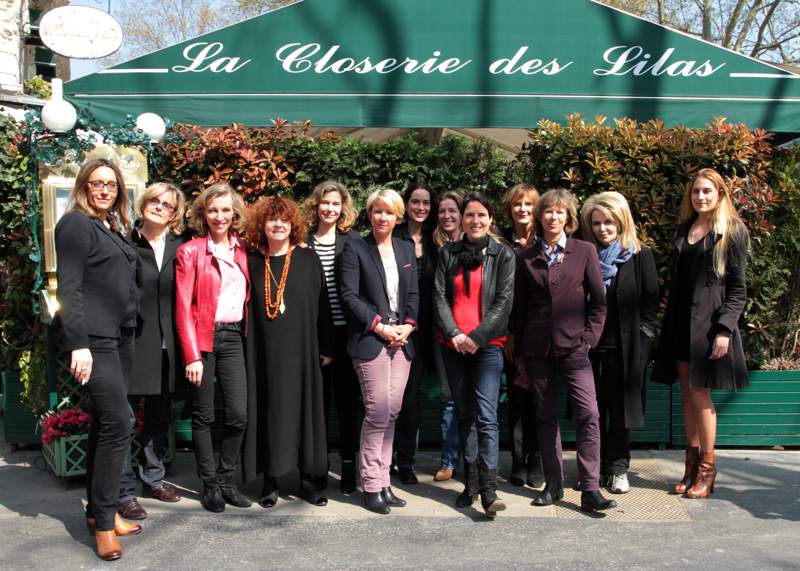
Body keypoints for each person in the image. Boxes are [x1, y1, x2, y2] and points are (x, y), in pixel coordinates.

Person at [55, 158, 141, 561]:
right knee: (119, 422)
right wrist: (78, 344)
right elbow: (69, 288)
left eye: (111, 184)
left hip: (121, 337)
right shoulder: (76, 224)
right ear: (84, 187)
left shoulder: (112, 226)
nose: (104, 190)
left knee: (105, 425)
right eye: (96, 183)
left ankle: (97, 511)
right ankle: (105, 524)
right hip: (95, 340)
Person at [512, 188, 617, 514]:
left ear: (568, 218)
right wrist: (519, 353)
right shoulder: (525, 257)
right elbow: (519, 309)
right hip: (537, 348)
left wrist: (588, 339)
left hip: (575, 348)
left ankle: (590, 488)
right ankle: (553, 483)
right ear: (540, 216)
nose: (553, 217)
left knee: (589, 414)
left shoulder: (584, 251)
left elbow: (599, 303)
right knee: (545, 417)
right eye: (548, 211)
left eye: (560, 212)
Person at [653, 168, 750, 499]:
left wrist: (724, 329)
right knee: (687, 393)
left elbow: (738, 290)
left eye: (707, 191)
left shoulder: (732, 231)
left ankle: (707, 470)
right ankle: (691, 466)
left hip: (709, 326)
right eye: (696, 191)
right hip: (681, 323)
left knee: (700, 394)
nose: (701, 197)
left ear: (720, 194)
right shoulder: (685, 228)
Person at [242, 196, 334, 508]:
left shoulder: (308, 259)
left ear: (293, 224)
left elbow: (323, 305)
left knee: (305, 413)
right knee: (270, 412)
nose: (278, 225)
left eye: (284, 220)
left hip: (304, 352)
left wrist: (327, 346)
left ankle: (307, 480)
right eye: (272, 219)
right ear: (262, 225)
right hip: (264, 354)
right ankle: (270, 481)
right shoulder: (252, 261)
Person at [433, 191, 515, 518]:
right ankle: (471, 483)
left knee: (486, 415)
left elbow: (504, 301)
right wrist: (454, 333)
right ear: (462, 219)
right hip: (452, 345)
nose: (475, 220)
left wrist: (477, 337)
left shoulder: (503, 254)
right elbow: (439, 296)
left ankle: (489, 490)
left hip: (487, 347)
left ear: (490, 219)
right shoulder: (447, 253)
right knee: (464, 413)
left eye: (482, 215)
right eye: (470, 215)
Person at [340, 187, 419, 514]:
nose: (382, 217)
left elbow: (413, 294)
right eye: (377, 211)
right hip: (371, 340)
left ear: (398, 216)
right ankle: (371, 485)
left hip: (401, 340)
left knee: (392, 412)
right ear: (369, 214)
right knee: (377, 413)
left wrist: (408, 326)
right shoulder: (355, 247)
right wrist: (380, 326)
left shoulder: (405, 248)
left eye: (389, 212)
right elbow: (349, 295)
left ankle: (385, 482)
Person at [175, 183, 251, 513]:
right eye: (213, 210)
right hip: (203, 338)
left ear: (235, 213)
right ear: (203, 214)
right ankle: (209, 484)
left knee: (238, 415)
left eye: (225, 210)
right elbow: (182, 306)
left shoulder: (245, 249)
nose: (220, 216)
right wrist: (191, 355)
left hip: (234, 337)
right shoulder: (190, 251)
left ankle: (226, 480)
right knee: (203, 415)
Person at [580, 191, 659, 494]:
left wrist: (643, 341)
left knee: (621, 412)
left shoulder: (640, 255)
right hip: (590, 347)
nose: (603, 228)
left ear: (621, 221)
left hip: (626, 349)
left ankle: (618, 468)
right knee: (592, 410)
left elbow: (651, 304)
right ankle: (594, 468)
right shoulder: (584, 254)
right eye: (597, 223)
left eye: (609, 222)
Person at [118, 183, 187, 520]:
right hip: (132, 343)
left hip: (167, 345)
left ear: (174, 214)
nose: (159, 207)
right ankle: (123, 491)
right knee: (125, 419)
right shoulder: (125, 242)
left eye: (167, 204)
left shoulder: (180, 246)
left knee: (159, 417)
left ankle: (153, 478)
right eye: (154, 201)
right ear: (143, 204)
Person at [303, 181, 362, 494]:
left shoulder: (353, 241)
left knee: (348, 406)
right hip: (314, 336)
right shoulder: (302, 241)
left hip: (348, 335)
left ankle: (349, 466)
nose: (329, 208)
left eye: (335, 204)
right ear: (316, 205)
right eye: (325, 202)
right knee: (318, 407)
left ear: (343, 208)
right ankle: (319, 466)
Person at [392, 181, 438, 485]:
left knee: (410, 399)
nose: (420, 207)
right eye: (415, 201)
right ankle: (383, 460)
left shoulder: (437, 239)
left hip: (424, 332)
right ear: (406, 204)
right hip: (394, 327)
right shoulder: (393, 236)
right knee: (387, 398)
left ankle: (405, 461)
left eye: (426, 202)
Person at [500, 183, 543, 488]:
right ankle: (517, 460)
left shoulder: (546, 240)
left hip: (540, 332)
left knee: (539, 399)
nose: (523, 209)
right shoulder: (500, 242)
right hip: (509, 332)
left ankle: (536, 459)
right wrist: (506, 332)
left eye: (529, 204)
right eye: (517, 204)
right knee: (516, 399)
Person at [431, 191, 465, 482]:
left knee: (479, 399)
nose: (447, 216)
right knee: (449, 397)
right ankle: (449, 461)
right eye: (442, 211)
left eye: (452, 210)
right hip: (444, 333)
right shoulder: (435, 246)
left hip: (477, 333)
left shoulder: (483, 244)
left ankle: (477, 462)